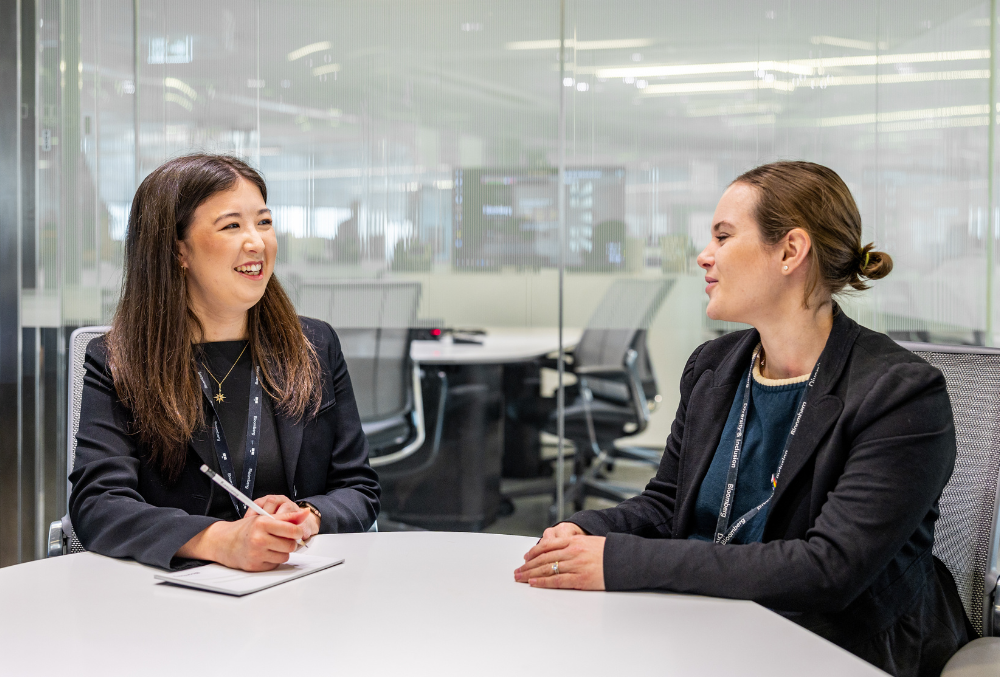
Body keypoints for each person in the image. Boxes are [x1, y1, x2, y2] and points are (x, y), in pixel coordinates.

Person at [515, 161, 971, 676]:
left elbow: (828, 570)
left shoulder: (900, 393)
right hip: (715, 622)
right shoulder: (715, 367)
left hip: (841, 647)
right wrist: (582, 529)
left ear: (790, 251)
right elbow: (669, 505)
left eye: (724, 236)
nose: (704, 257)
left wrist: (616, 560)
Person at [70, 154, 380, 572]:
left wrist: (306, 517)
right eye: (232, 226)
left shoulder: (314, 345)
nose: (257, 242)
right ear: (178, 249)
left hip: (299, 587)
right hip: (173, 600)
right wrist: (220, 540)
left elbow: (358, 488)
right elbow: (98, 505)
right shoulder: (118, 360)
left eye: (264, 222)